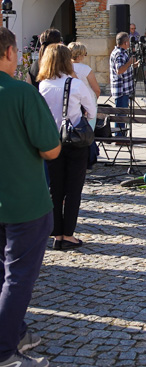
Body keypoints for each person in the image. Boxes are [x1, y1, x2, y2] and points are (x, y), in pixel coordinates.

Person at [0, 27, 61, 367]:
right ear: (10, 53)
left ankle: (15, 331)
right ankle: (4, 351)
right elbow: (51, 149)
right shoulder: (21, 93)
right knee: (18, 278)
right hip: (23, 199)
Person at [38, 44, 97, 251]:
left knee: (55, 188)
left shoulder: (43, 85)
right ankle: (68, 234)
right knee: (73, 189)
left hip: (52, 140)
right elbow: (91, 110)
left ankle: (56, 233)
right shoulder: (75, 84)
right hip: (73, 141)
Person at [109, 32, 137, 135]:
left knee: (122, 114)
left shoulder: (122, 52)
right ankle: (119, 137)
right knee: (121, 115)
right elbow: (119, 70)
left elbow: (123, 68)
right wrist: (129, 62)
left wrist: (132, 65)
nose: (129, 43)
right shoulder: (119, 54)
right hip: (121, 90)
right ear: (125, 42)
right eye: (128, 41)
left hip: (124, 89)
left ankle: (121, 135)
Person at [69, 43, 100, 125]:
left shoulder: (64, 68)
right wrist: (93, 101)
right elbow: (96, 89)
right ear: (80, 56)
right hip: (87, 103)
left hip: (71, 103)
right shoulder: (86, 69)